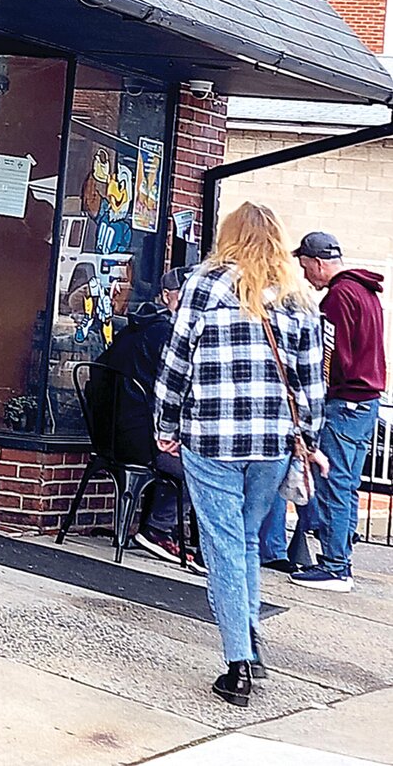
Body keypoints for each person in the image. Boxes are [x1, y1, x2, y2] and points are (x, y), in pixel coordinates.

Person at [154, 202, 326, 708]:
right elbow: (313, 384)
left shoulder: (205, 285)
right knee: (246, 538)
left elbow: (176, 360)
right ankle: (248, 637)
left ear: (227, 237)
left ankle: (239, 663)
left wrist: (165, 425)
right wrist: (307, 444)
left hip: (212, 437)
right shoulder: (298, 299)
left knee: (224, 544)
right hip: (272, 443)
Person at [290, 231, 386, 594]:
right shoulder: (366, 292)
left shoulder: (338, 298)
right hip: (366, 401)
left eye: (305, 267)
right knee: (347, 484)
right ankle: (338, 559)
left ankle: (334, 566)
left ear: (317, 262)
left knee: (333, 482)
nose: (305, 276)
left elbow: (328, 359)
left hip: (344, 401)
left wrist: (315, 398)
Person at [88, 270, 203, 573]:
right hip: (138, 441)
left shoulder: (135, 327)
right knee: (200, 468)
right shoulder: (166, 334)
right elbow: (179, 391)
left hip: (111, 436)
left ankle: (164, 528)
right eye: (186, 294)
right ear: (167, 297)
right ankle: (159, 530)